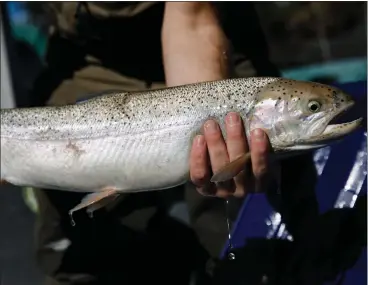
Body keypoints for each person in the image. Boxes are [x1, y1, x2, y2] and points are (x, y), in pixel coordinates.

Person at [22, 2, 303, 285]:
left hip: (213, 36)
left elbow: (190, 14)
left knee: (241, 226)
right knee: (86, 253)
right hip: (85, 56)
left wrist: (214, 132)